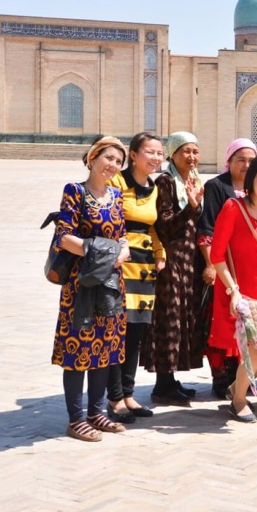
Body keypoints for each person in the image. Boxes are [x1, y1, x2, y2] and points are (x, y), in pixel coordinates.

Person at [51, 136, 131, 442]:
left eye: (118, 161)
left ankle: (97, 413)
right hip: (81, 283)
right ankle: (76, 419)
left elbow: (122, 236)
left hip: (111, 283)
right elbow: (64, 236)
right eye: (108, 158)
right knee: (78, 348)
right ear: (93, 158)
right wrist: (104, 253)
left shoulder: (116, 195)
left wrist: (121, 252)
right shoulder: (75, 191)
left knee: (106, 347)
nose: (113, 165)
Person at [209, 157, 257, 423]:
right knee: (256, 351)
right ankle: (239, 401)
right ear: (252, 179)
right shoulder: (233, 208)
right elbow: (217, 255)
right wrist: (233, 290)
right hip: (237, 292)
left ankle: (236, 389)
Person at [105, 133, 165, 423]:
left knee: (136, 335)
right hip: (120, 265)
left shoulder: (153, 187)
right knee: (119, 333)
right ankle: (114, 398)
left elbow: (151, 227)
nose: (155, 158)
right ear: (133, 154)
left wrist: (160, 253)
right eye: (149, 152)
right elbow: (110, 219)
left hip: (145, 269)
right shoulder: (117, 182)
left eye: (159, 153)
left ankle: (128, 395)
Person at [145, 132, 205, 406]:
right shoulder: (166, 182)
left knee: (182, 320)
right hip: (171, 263)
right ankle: (162, 386)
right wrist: (191, 207)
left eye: (195, 151)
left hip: (188, 263)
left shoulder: (192, 180)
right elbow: (165, 224)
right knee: (168, 322)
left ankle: (170, 381)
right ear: (173, 154)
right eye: (185, 151)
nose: (191, 157)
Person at [198, 138, 257, 398]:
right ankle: (221, 379)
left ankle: (240, 377)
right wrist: (210, 264)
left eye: (251, 161)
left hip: (248, 266)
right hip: (223, 265)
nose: (246, 165)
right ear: (229, 161)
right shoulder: (217, 186)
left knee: (244, 318)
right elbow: (207, 227)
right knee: (222, 321)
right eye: (240, 159)